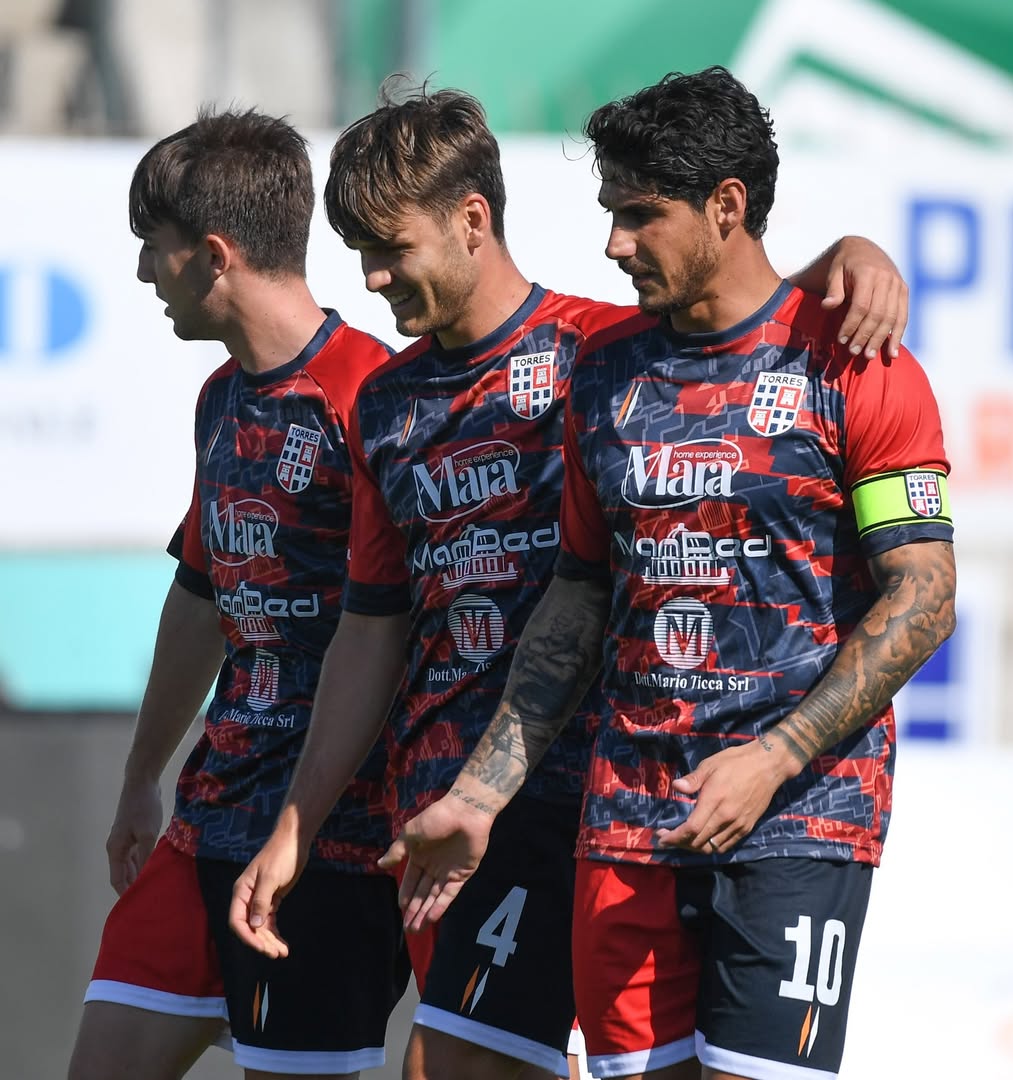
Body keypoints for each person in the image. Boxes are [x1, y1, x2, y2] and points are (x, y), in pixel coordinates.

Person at [227, 81, 915, 1080]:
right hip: (465, 808)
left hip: (612, 797)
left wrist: (850, 256)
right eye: (360, 255)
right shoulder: (397, 403)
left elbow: (742, 316)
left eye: (392, 248)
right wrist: (309, 823)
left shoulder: (593, 348)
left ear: (471, 221)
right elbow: (375, 628)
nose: (371, 280)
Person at [67, 108, 409, 1080]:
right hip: (209, 813)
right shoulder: (220, 398)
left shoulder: (372, 400)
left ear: (213, 255)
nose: (143, 275)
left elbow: (406, 635)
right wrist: (144, 773)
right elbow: (200, 590)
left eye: (154, 250)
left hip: (333, 840)